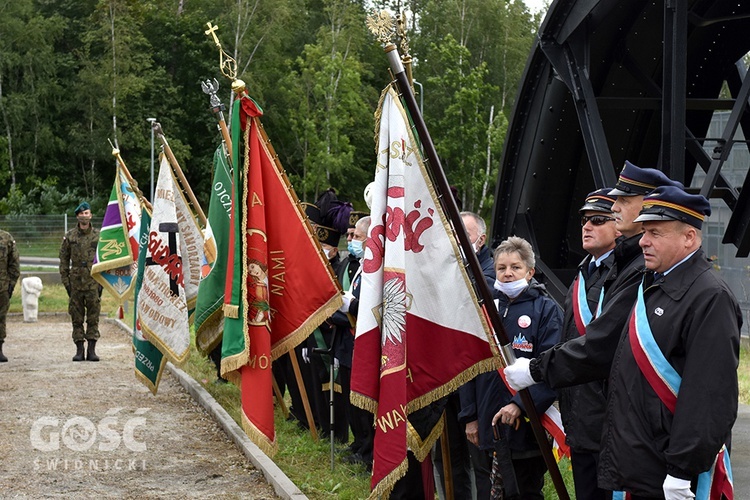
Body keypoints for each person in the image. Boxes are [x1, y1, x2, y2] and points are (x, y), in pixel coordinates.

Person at [461, 236, 562, 499]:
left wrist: (519, 404)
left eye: (515, 267)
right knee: (487, 491)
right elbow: (469, 365)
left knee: (524, 491)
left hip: (527, 427)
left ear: (530, 272)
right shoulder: (484, 310)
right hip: (485, 422)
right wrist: (470, 416)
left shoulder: (546, 311)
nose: (507, 274)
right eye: (501, 268)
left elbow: (552, 367)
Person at [558, 188, 618, 500]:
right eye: (584, 219)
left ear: (618, 225)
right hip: (580, 419)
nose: (587, 226)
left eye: (597, 219)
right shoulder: (583, 274)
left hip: (608, 423)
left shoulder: (623, 273)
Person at [59, 201, 101, 362]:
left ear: (90, 215)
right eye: (81, 214)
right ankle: (79, 350)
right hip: (75, 283)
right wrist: (66, 282)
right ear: (77, 216)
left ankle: (91, 351)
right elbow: (63, 260)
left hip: (93, 281)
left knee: (93, 317)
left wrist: (101, 283)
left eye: (87, 213)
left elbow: (105, 259)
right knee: (76, 317)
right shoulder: (70, 236)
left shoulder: (99, 235)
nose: (84, 216)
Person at [0, 228, 20, 362]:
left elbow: (14, 264)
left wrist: (10, 286)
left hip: (1, 287)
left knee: (0, 319)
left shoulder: (6, 238)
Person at [461, 211, 495, 288]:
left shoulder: (491, 274)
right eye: (453, 234)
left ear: (481, 240)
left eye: (463, 235)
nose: (457, 240)